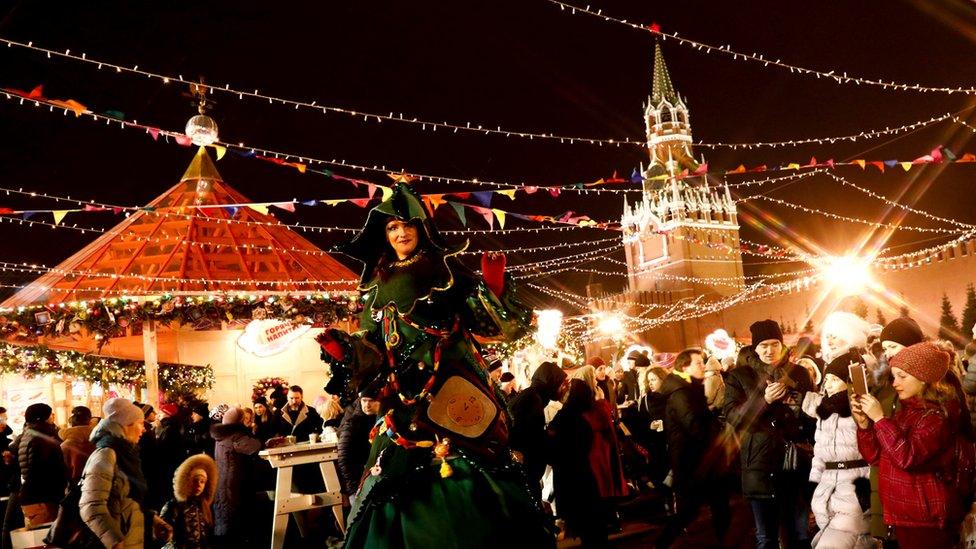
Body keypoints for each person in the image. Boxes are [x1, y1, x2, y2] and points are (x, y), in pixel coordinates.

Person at [317, 183, 554, 547]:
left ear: (422, 228)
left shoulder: (448, 273)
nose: (400, 233)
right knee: (389, 490)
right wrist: (344, 351)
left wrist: (492, 286)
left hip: (455, 395)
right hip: (403, 407)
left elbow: (495, 327)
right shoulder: (374, 290)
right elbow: (372, 352)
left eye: (407, 225)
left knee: (474, 483)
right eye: (392, 227)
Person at [853, 342, 963, 548]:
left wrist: (879, 419)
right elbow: (875, 456)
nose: (895, 383)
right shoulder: (904, 413)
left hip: (927, 520)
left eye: (903, 376)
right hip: (905, 515)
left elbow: (907, 456)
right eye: (894, 376)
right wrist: (865, 426)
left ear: (924, 380)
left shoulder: (936, 418)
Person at [723, 319, 816, 549]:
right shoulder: (740, 376)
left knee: (800, 533)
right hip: (760, 465)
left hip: (797, 461)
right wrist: (764, 400)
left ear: (782, 345)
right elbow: (733, 417)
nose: (769, 350)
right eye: (763, 345)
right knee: (767, 537)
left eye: (774, 344)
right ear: (755, 347)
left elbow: (812, 416)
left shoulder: (800, 373)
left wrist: (801, 403)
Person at [656, 349, 730, 548]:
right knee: (690, 511)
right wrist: (717, 437)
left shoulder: (689, 388)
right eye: (698, 363)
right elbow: (694, 426)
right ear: (684, 366)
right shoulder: (680, 393)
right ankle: (662, 543)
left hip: (701, 459)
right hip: (691, 461)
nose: (703, 366)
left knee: (718, 505)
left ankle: (725, 540)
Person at [81, 397, 172, 548]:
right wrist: (115, 541)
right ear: (126, 425)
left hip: (132, 538)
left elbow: (130, 499)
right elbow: (91, 505)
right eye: (140, 423)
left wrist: (153, 520)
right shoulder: (107, 454)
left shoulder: (128, 454)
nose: (143, 429)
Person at [801, 358, 872, 548]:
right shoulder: (825, 413)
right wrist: (814, 488)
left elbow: (872, 454)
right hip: (826, 491)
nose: (828, 385)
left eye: (834, 379)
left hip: (854, 490)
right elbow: (819, 457)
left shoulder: (862, 410)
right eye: (826, 379)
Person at [548, 377, 607, 548]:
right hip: (581, 473)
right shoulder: (578, 415)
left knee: (587, 525)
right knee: (591, 525)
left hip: (570, 476)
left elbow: (554, 447)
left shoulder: (565, 416)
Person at [571, 366, 627, 530]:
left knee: (605, 481)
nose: (596, 377)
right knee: (603, 481)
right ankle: (609, 517)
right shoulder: (590, 397)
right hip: (597, 446)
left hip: (602, 444)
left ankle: (611, 516)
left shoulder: (594, 393)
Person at [510, 361, 569, 496]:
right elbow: (531, 438)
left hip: (526, 469)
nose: (564, 388)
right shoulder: (532, 399)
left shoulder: (533, 396)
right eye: (562, 383)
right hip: (526, 471)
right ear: (551, 382)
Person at [210, 406, 261, 546]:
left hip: (222, 477)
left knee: (224, 508)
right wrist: (255, 435)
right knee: (233, 511)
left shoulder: (220, 434)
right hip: (234, 479)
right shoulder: (236, 435)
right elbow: (253, 446)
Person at [11, 402, 66, 528]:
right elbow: (43, 469)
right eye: (50, 415)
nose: (53, 418)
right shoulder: (42, 438)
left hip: (35, 496)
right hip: (43, 497)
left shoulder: (30, 434)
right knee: (48, 538)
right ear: (43, 418)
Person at [160, 454, 218, 549]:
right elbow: (163, 535)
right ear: (186, 481)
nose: (199, 485)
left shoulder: (204, 507)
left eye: (202, 481)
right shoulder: (173, 505)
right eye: (195, 481)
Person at [337, 393, 381, 507]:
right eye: (364, 401)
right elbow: (343, 457)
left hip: (376, 481)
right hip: (359, 483)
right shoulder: (352, 424)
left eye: (371, 400)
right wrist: (353, 488)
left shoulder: (383, 421)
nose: (367, 405)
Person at [60, 405, 96, 483]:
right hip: (97, 484)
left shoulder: (65, 446)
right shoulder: (100, 440)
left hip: (73, 488)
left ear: (71, 422)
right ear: (90, 420)